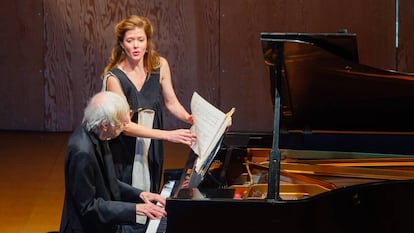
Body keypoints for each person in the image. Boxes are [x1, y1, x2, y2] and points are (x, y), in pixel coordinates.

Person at [101, 15, 195, 195]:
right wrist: (168, 135)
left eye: (140, 40)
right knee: (129, 199)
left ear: (147, 41)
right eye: (130, 40)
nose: (136, 46)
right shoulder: (114, 78)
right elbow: (125, 126)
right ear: (121, 44)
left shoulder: (160, 65)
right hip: (124, 151)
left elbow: (171, 102)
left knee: (151, 192)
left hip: (151, 147)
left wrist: (189, 118)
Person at [59, 91, 167, 233]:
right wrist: (135, 209)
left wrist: (140, 195)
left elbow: (109, 181)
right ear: (105, 125)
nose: (126, 125)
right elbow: (87, 207)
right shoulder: (82, 152)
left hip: (107, 225)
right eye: (122, 123)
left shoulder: (99, 134)